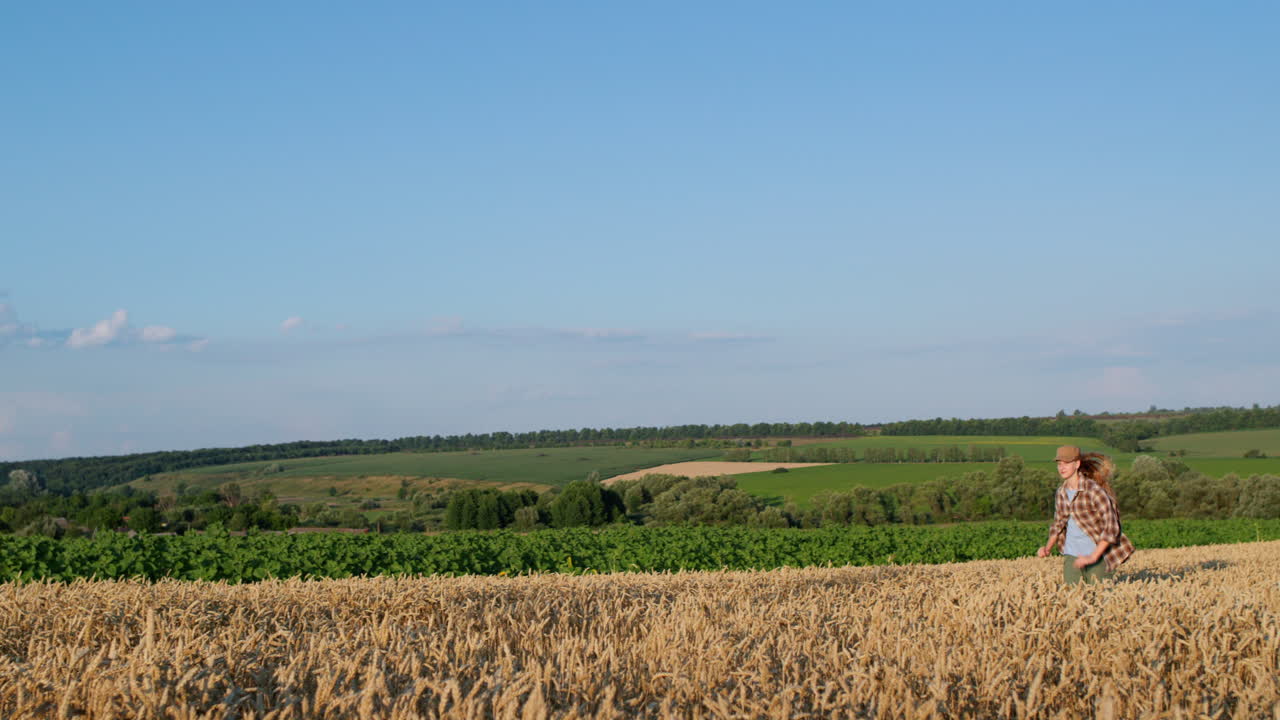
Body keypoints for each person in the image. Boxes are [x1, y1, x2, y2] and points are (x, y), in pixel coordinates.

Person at [1036, 445, 1134, 584]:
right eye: (1059, 464)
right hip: (1071, 555)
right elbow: (1058, 523)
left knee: (1100, 598)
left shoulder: (1094, 491)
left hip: (1097, 556)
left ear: (1077, 464)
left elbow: (1112, 528)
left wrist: (1093, 557)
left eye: (1067, 463)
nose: (1062, 467)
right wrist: (1047, 548)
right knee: (1073, 599)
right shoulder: (1061, 492)